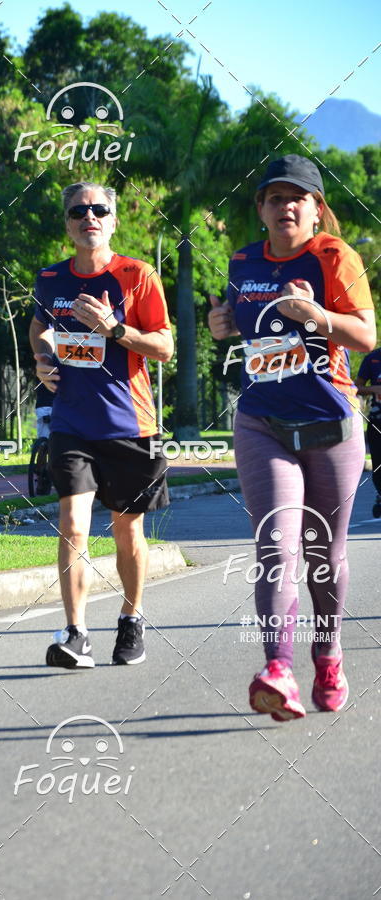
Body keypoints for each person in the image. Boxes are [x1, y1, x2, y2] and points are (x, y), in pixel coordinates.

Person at [209, 154, 375, 720]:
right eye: (275, 197)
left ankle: (327, 656)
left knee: (322, 553)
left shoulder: (335, 257)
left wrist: (319, 316)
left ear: (316, 209)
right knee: (276, 547)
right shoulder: (243, 261)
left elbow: (366, 335)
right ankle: (278, 668)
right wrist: (222, 323)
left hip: (329, 424)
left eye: (297, 197)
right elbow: (238, 320)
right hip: (262, 421)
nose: (287, 206)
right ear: (261, 209)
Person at [29, 181, 173, 669]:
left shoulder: (137, 276)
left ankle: (131, 620)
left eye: (99, 210)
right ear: (67, 223)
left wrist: (113, 330)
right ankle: (76, 633)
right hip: (71, 422)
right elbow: (38, 323)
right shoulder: (51, 278)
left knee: (126, 530)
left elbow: (165, 347)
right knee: (71, 525)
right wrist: (42, 356)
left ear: (113, 220)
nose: (89, 217)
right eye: (78, 211)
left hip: (130, 424)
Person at [355, 348, 381, 517]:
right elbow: (356, 386)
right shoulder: (373, 358)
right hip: (378, 419)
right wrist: (375, 389)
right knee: (378, 463)